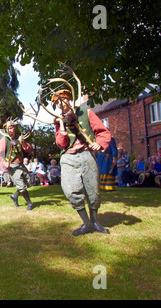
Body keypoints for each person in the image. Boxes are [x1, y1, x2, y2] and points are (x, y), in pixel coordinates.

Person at [53, 89, 111, 236]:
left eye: (61, 100)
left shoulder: (86, 112)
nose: (59, 104)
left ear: (69, 99)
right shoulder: (57, 120)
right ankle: (86, 223)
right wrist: (62, 126)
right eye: (56, 103)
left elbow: (102, 132)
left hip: (87, 154)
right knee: (70, 190)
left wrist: (99, 143)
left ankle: (95, 222)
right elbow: (61, 143)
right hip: (68, 157)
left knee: (93, 191)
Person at [0, 121, 33, 209]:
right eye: (10, 128)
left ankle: (14, 196)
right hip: (12, 166)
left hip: (21, 165)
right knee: (21, 186)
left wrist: (23, 142)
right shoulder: (4, 140)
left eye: (13, 127)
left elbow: (27, 149)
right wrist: (4, 163)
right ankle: (29, 203)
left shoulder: (18, 139)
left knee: (27, 182)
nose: (12, 130)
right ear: (6, 129)